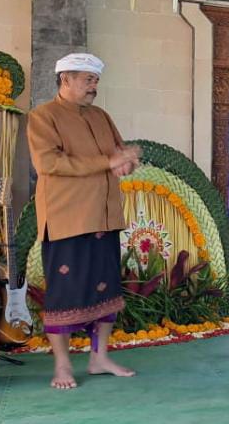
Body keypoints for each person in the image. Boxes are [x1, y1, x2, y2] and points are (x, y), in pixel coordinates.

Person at [27, 53, 141, 389]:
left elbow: (117, 154)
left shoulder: (101, 116)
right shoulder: (43, 116)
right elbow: (49, 163)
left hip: (104, 216)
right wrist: (108, 161)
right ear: (66, 79)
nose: (94, 87)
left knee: (107, 291)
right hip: (67, 218)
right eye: (88, 80)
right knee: (64, 293)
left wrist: (126, 162)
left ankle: (99, 358)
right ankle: (62, 365)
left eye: (96, 81)